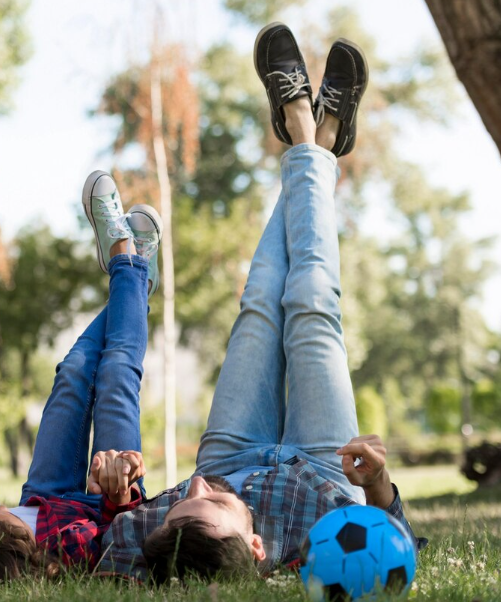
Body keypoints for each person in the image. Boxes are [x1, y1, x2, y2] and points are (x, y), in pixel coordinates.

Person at [97, 23, 426, 583]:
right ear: (256, 546)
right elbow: (396, 546)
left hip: (230, 451)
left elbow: (110, 549)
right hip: (327, 462)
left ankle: (312, 139)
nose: (195, 487)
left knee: (260, 299)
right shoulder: (319, 534)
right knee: (312, 301)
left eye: (180, 502)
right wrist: (375, 484)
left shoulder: (156, 540)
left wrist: (114, 489)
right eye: (213, 504)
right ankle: (310, 135)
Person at [0, 171, 163, 581]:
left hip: (44, 491)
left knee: (72, 371)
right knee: (117, 372)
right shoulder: (66, 554)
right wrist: (120, 492)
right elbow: (119, 537)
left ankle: (136, 275)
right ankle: (127, 259)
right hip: (109, 485)